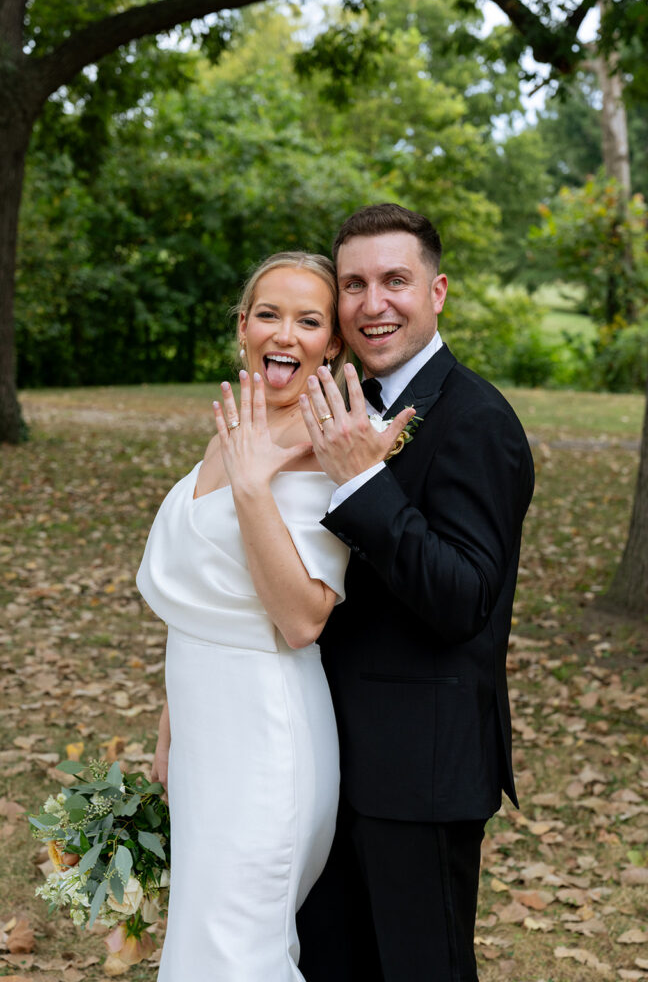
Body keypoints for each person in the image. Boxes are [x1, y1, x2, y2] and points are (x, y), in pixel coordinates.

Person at [296, 204, 535, 982]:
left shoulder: (476, 419)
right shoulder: (339, 406)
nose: (373, 303)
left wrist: (362, 481)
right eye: (354, 284)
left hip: (419, 771)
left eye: (394, 280)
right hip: (323, 759)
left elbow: (463, 596)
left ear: (435, 292)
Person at [137, 253, 366, 982]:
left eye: (310, 321)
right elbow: (200, 605)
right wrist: (172, 730)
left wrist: (251, 490)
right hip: (206, 739)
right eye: (269, 313)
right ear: (243, 326)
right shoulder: (232, 430)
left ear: (331, 343)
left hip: (267, 742)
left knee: (235, 952)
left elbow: (302, 620)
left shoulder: (327, 446)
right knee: (204, 942)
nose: (286, 334)